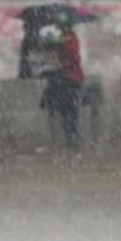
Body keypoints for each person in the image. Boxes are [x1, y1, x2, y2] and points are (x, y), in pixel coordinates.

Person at [42, 15, 84, 147]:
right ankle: (70, 137)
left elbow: (72, 59)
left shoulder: (69, 39)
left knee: (68, 110)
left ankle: (71, 138)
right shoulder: (67, 38)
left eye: (60, 25)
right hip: (70, 78)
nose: (58, 28)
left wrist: (61, 65)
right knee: (67, 110)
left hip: (70, 78)